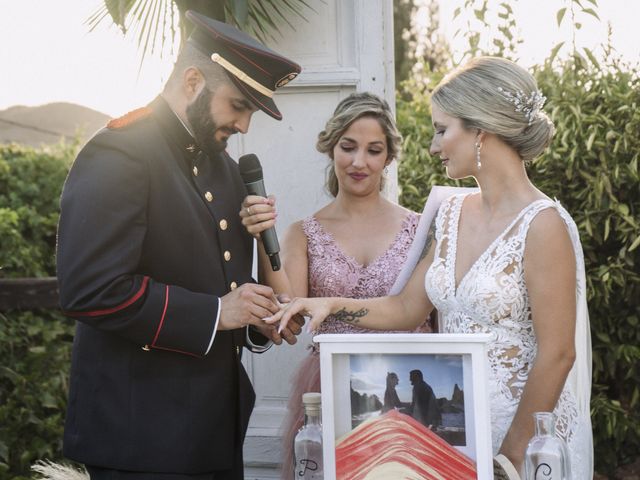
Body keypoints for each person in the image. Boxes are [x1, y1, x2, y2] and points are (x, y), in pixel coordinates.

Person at [268, 57, 593, 478]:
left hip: (523, 437)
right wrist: (330, 304)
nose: (433, 146)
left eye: (442, 130)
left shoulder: (543, 223)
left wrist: (508, 461)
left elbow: (559, 353)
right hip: (454, 437)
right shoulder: (451, 213)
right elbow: (407, 307)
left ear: (480, 129)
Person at [56, 11, 305, 480]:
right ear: (193, 81)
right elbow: (91, 289)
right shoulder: (119, 153)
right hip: (140, 439)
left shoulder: (225, 169)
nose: (245, 125)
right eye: (238, 105)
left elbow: (220, 285)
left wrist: (254, 317)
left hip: (214, 430)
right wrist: (217, 312)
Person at [240, 92, 431, 479]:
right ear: (331, 148)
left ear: (388, 157)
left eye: (373, 150)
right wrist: (264, 236)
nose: (359, 162)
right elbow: (286, 317)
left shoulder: (421, 229)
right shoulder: (304, 233)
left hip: (407, 382)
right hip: (330, 385)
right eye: (348, 147)